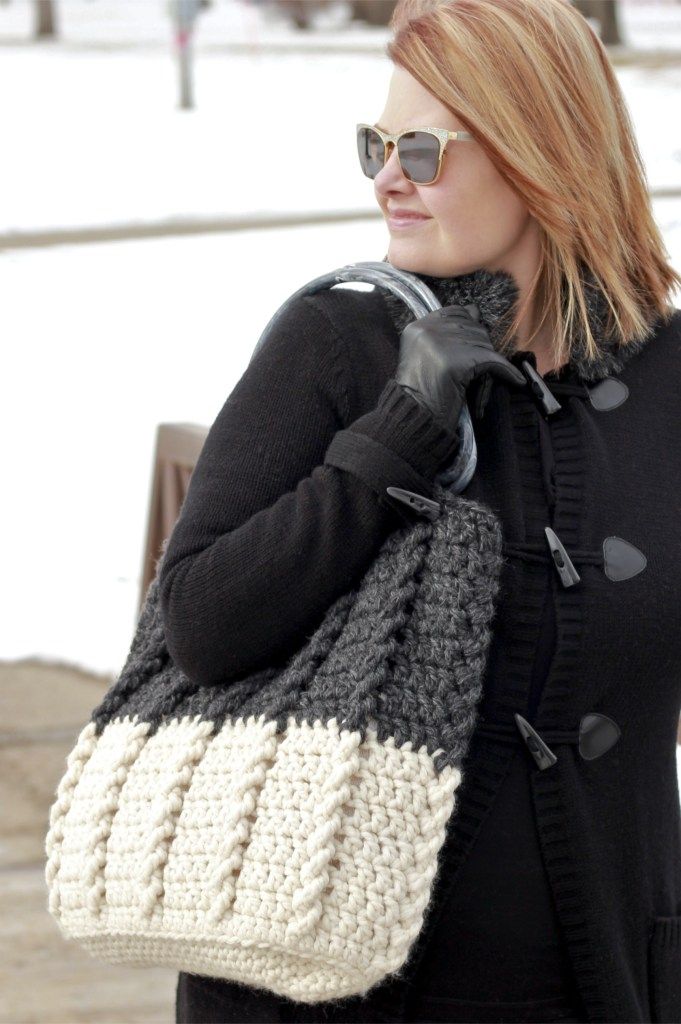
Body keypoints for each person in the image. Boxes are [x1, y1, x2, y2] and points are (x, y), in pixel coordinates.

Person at [159, 1, 681, 1021]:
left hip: (607, 970)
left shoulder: (670, 375)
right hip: (340, 987)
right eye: (377, 145)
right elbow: (200, 623)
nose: (388, 177)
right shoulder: (337, 343)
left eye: (425, 150)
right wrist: (392, 438)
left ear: (546, 155)